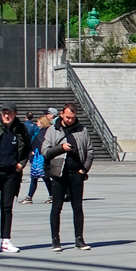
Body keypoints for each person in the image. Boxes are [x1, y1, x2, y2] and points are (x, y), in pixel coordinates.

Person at [43, 103, 93, 252]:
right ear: (61, 114)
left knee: (77, 207)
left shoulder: (82, 129)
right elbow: (45, 151)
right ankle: (55, 240)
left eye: (72, 117)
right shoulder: (53, 130)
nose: (70, 120)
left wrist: (84, 170)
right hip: (59, 173)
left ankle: (79, 239)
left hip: (76, 173)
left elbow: (90, 150)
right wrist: (61, 148)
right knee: (56, 207)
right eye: (67, 117)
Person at [0, 102, 32, 253]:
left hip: (11, 174)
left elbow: (27, 148)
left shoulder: (20, 129)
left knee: (7, 208)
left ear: (15, 113)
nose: (6, 115)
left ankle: (5, 241)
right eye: (4, 112)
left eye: (10, 113)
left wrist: (21, 164)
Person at [20, 112, 53, 205]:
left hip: (39, 158)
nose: (37, 124)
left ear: (42, 123)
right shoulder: (46, 131)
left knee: (36, 177)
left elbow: (40, 144)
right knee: (44, 178)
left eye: (38, 122)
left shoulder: (42, 132)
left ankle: (29, 197)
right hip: (41, 158)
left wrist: (34, 150)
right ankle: (51, 195)